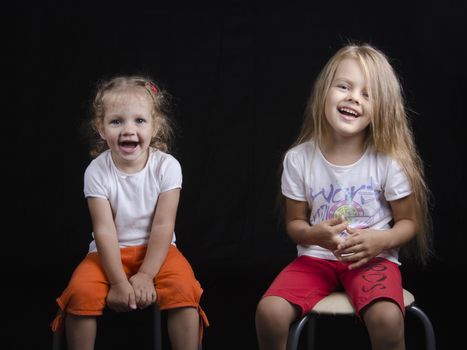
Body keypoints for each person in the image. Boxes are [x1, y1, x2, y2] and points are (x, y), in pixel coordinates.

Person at [255, 43, 432, 350]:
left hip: (371, 260)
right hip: (316, 260)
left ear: (383, 108)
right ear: (325, 90)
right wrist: (314, 234)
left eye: (368, 94)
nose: (353, 98)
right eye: (344, 86)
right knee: (268, 312)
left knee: (388, 319)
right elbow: (295, 223)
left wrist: (381, 240)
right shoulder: (299, 159)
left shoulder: (387, 161)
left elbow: (408, 222)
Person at [51, 75, 208, 350]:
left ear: (155, 126)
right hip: (108, 252)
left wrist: (147, 274)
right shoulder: (97, 171)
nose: (128, 130)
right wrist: (118, 282)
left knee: (184, 289)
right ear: (101, 128)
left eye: (139, 120)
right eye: (116, 121)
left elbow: (163, 225)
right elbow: (104, 230)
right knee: (80, 292)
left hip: (160, 251)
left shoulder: (167, 167)